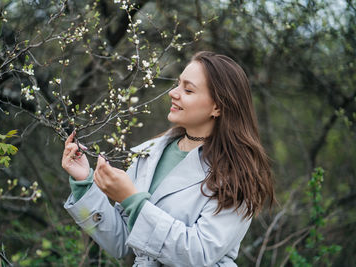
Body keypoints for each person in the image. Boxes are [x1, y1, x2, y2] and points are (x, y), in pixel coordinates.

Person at [62, 51, 275, 266]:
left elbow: (198, 254)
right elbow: (121, 243)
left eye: (188, 90)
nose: (174, 93)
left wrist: (132, 201)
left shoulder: (236, 174)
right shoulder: (148, 153)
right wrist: (83, 183)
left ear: (217, 107)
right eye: (178, 84)